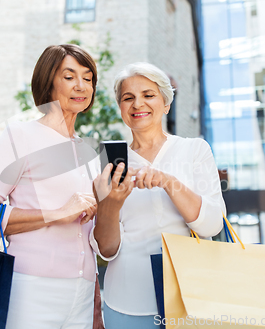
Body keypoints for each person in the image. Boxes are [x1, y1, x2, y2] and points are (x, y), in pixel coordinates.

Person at [0, 44, 101, 329]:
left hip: (83, 292)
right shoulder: (20, 136)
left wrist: (95, 298)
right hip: (32, 286)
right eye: (69, 76)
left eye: (88, 78)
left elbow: (88, 235)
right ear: (48, 81)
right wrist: (56, 213)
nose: (81, 86)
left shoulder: (89, 152)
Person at [91, 62, 226, 328]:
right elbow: (106, 250)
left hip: (189, 296)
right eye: (128, 98)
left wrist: (168, 182)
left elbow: (212, 224)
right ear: (121, 109)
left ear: (166, 103)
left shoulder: (194, 150)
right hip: (127, 302)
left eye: (148, 95)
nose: (137, 104)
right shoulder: (107, 164)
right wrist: (111, 204)